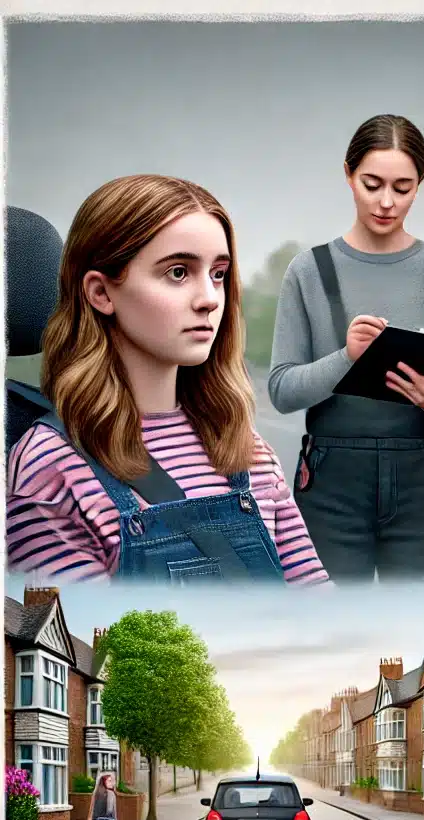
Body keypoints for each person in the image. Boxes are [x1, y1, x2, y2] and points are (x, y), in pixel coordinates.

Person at [6, 175, 328, 585]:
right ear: (101, 293)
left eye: (218, 273)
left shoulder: (250, 451)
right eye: (178, 272)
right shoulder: (50, 469)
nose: (210, 298)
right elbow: (95, 641)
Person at [268, 113, 424, 581]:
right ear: (348, 174)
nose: (387, 202)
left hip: (422, 482)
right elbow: (282, 390)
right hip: (330, 484)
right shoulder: (309, 271)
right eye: (372, 184)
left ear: (419, 185)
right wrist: (345, 357)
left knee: (422, 619)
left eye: (403, 187)